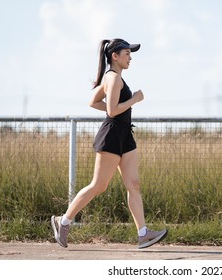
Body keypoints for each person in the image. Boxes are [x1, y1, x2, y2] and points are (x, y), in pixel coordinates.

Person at [51, 38, 168, 249]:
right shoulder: (113, 78)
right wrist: (135, 100)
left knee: (134, 184)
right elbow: (111, 111)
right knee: (99, 185)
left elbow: (93, 101)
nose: (130, 57)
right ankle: (63, 221)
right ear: (115, 56)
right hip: (112, 135)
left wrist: (127, 103)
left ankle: (143, 234)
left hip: (125, 135)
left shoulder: (114, 78)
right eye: (127, 53)